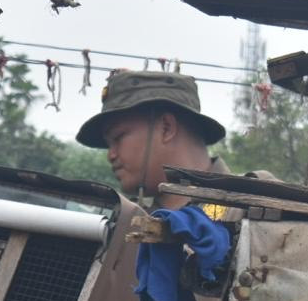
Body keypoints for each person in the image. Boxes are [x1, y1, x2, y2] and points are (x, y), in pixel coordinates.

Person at [76, 70, 230, 212]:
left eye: (118, 138)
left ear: (166, 128)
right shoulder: (128, 222)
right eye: (109, 144)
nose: (111, 155)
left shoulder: (248, 214)